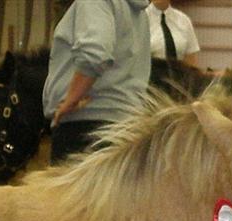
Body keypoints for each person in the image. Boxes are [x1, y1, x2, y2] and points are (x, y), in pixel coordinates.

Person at [42, 0, 151, 164]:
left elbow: (95, 53)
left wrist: (70, 100)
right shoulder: (138, 12)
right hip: (127, 125)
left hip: (85, 125)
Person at [146, 0, 200, 67]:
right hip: (149, 76)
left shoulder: (184, 20)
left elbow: (191, 62)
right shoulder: (140, 19)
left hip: (179, 75)